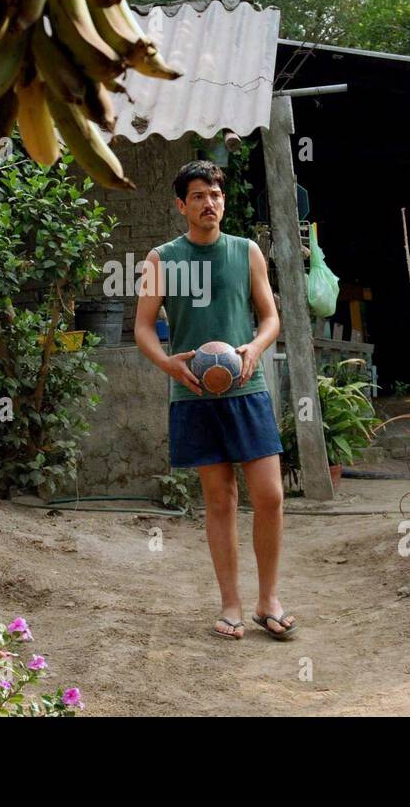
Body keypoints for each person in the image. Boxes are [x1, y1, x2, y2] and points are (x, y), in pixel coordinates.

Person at [134, 160, 300, 641]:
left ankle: (268, 599)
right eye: (200, 195)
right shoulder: (160, 259)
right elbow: (143, 326)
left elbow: (270, 317)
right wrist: (168, 364)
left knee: (270, 496)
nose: (210, 203)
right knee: (220, 499)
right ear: (181, 205)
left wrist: (255, 347)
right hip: (194, 393)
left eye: (216, 195)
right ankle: (231, 605)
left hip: (247, 389)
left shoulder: (246, 252)